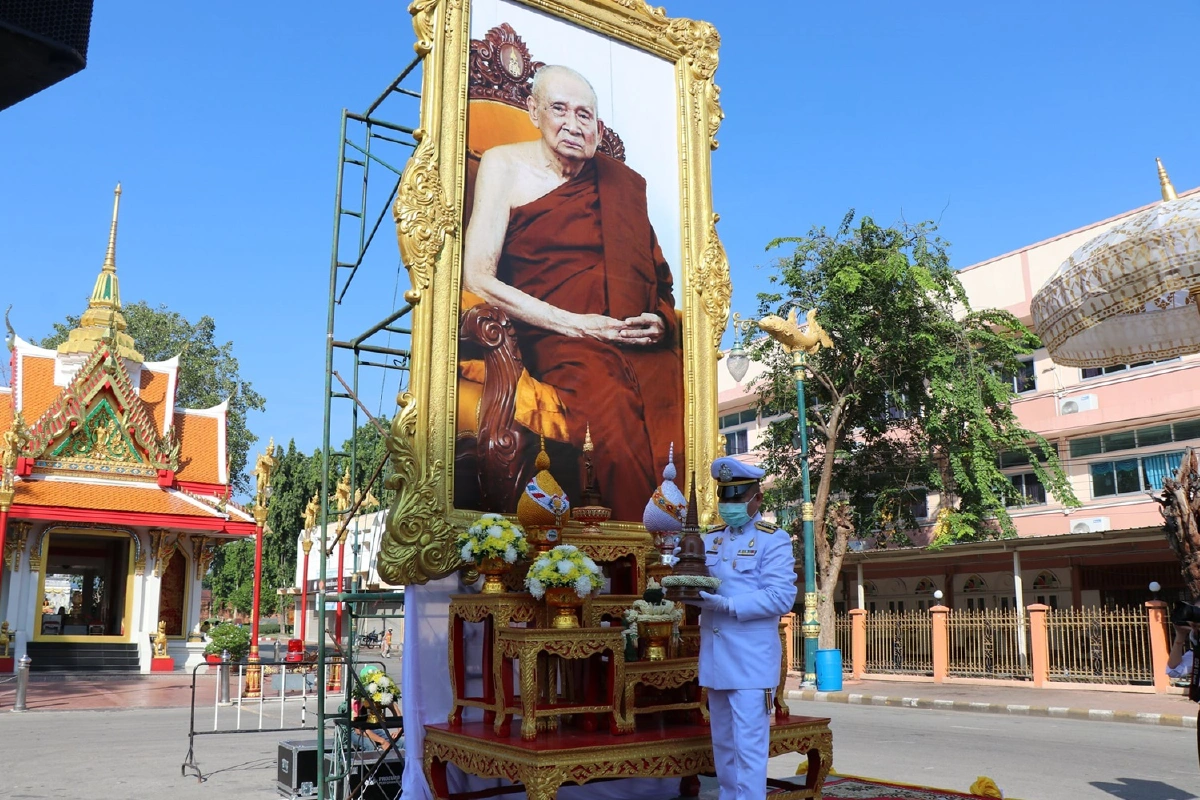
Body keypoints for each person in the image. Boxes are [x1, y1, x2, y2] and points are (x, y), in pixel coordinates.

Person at [462, 63, 684, 521]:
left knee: (679, 392)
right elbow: (478, 276)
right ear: (533, 111)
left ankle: (681, 546)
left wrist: (660, 321)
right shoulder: (504, 164)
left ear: (597, 128)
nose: (572, 123)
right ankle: (634, 550)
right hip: (553, 335)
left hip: (627, 334)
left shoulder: (622, 184)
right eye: (559, 109)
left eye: (585, 115)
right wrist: (575, 324)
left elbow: (661, 280)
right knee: (612, 405)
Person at [681, 457, 797, 800]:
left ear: (757, 498)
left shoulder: (772, 540)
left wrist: (727, 605)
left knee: (749, 748)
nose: (729, 507)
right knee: (724, 746)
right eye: (725, 499)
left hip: (750, 663)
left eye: (737, 499)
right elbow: (701, 583)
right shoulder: (711, 538)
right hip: (717, 661)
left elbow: (780, 597)